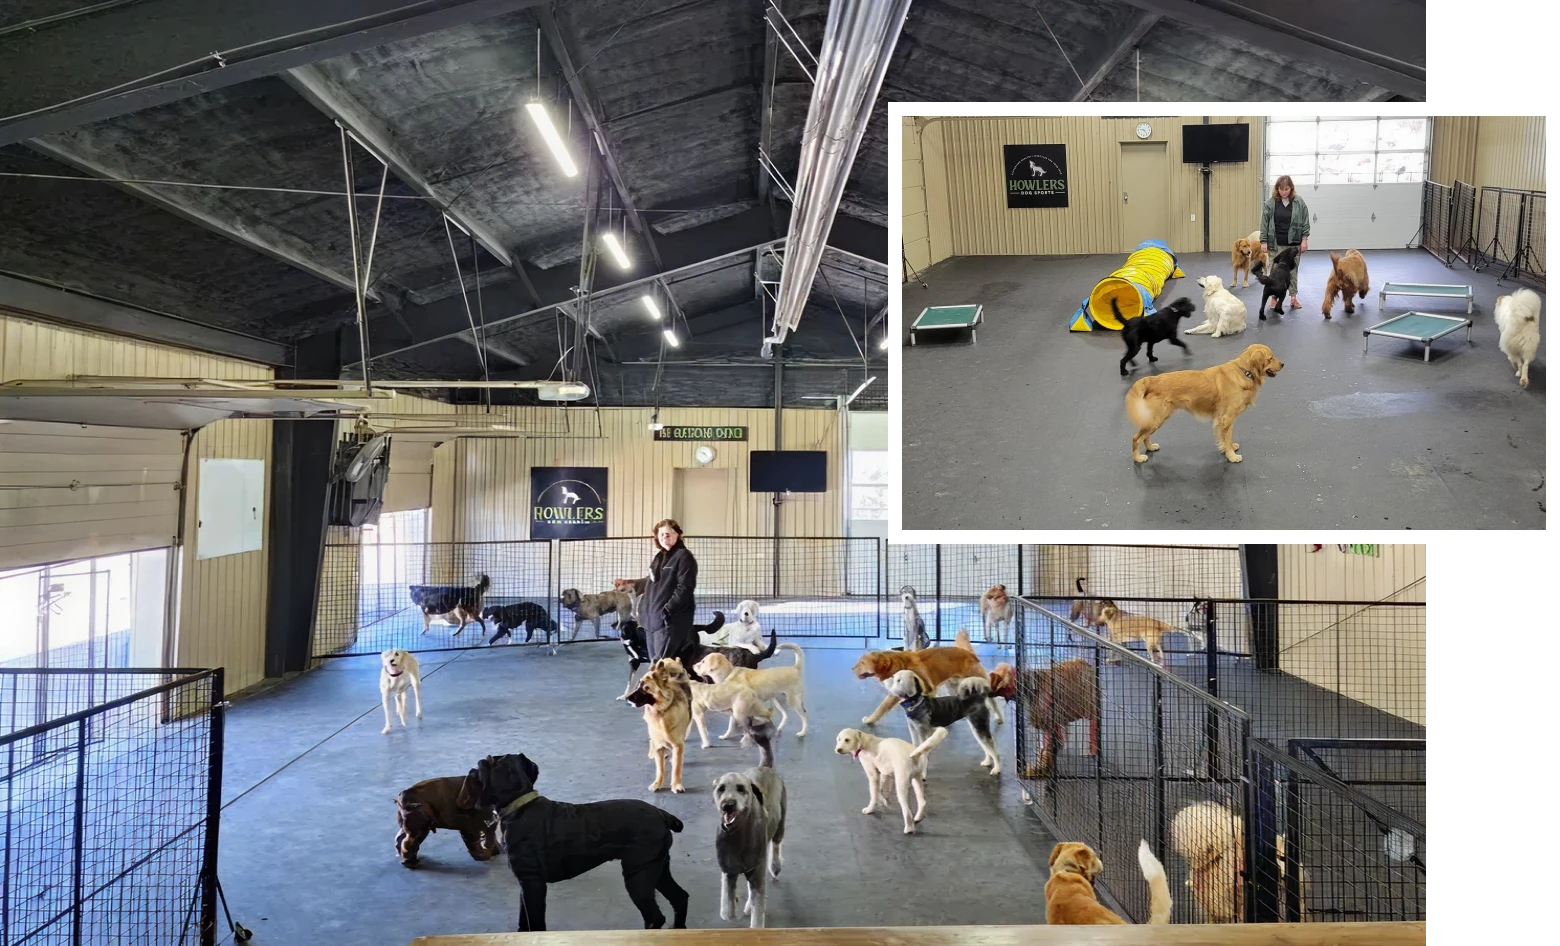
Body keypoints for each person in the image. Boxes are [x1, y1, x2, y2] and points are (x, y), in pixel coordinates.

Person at [640, 518, 699, 673]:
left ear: (678, 535)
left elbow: (685, 587)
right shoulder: (659, 557)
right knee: (655, 664)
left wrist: (667, 610)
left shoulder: (683, 556)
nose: (665, 537)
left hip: (669, 621)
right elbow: (651, 582)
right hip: (651, 621)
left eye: (669, 533)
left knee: (662, 666)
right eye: (661, 534)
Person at [1259, 174, 1311, 313]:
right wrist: (1263, 241)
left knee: (1293, 272)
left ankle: (1293, 298)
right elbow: (1264, 224)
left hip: (1293, 244)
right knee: (1274, 272)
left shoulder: (1299, 202)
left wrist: (1304, 239)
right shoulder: (1270, 204)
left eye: (1286, 189)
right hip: (1275, 244)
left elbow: (1305, 221)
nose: (1284, 192)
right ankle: (1274, 298)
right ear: (1277, 189)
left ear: (1291, 188)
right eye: (1281, 189)